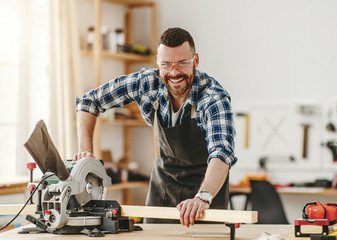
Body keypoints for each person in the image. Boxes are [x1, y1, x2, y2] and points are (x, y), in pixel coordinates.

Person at [73, 27, 237, 227]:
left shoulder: (213, 97)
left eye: (182, 63)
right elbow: (88, 102)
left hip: (205, 198)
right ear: (158, 63)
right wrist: (85, 153)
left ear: (195, 61)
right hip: (163, 190)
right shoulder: (147, 84)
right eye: (166, 64)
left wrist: (202, 197)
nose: (174, 72)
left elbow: (221, 152)